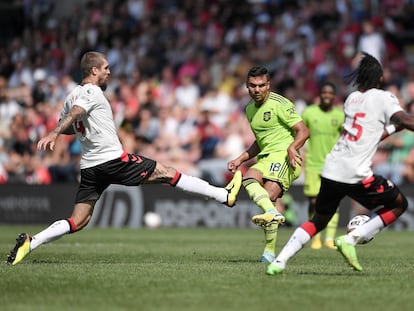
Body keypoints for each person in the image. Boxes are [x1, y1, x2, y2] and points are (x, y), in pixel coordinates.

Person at [6, 51, 242, 265]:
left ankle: (31, 242)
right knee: (168, 172)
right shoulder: (90, 91)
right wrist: (54, 132)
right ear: (94, 70)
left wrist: (61, 129)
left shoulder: (71, 95)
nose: (109, 72)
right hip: (111, 160)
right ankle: (223, 195)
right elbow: (75, 115)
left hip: (90, 167)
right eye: (106, 68)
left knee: (79, 220)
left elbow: (71, 122)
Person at [262, 52, 414, 275]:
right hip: (356, 173)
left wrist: (393, 129)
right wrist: (399, 123)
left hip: (331, 168)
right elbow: (404, 119)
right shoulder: (384, 98)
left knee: (319, 219)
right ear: (379, 78)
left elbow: (371, 135)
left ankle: (279, 261)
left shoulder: (351, 100)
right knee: (399, 204)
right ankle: (352, 238)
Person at [227, 66, 310, 264]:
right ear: (247, 86)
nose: (257, 90)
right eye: (253, 86)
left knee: (269, 195)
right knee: (249, 179)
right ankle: (270, 248)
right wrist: (241, 158)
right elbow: (260, 141)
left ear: (268, 85)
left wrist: (292, 148)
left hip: (285, 157)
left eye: (261, 85)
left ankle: (270, 241)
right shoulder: (249, 110)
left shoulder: (280, 103)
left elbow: (303, 131)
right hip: (265, 157)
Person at [301, 81, 344, 250]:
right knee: (314, 201)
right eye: (324, 92)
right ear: (320, 94)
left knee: (334, 202)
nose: (327, 96)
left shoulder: (340, 116)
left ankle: (329, 239)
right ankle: (315, 236)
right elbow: (299, 133)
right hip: (313, 164)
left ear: (334, 96)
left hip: (333, 165)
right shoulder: (309, 113)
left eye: (330, 93)